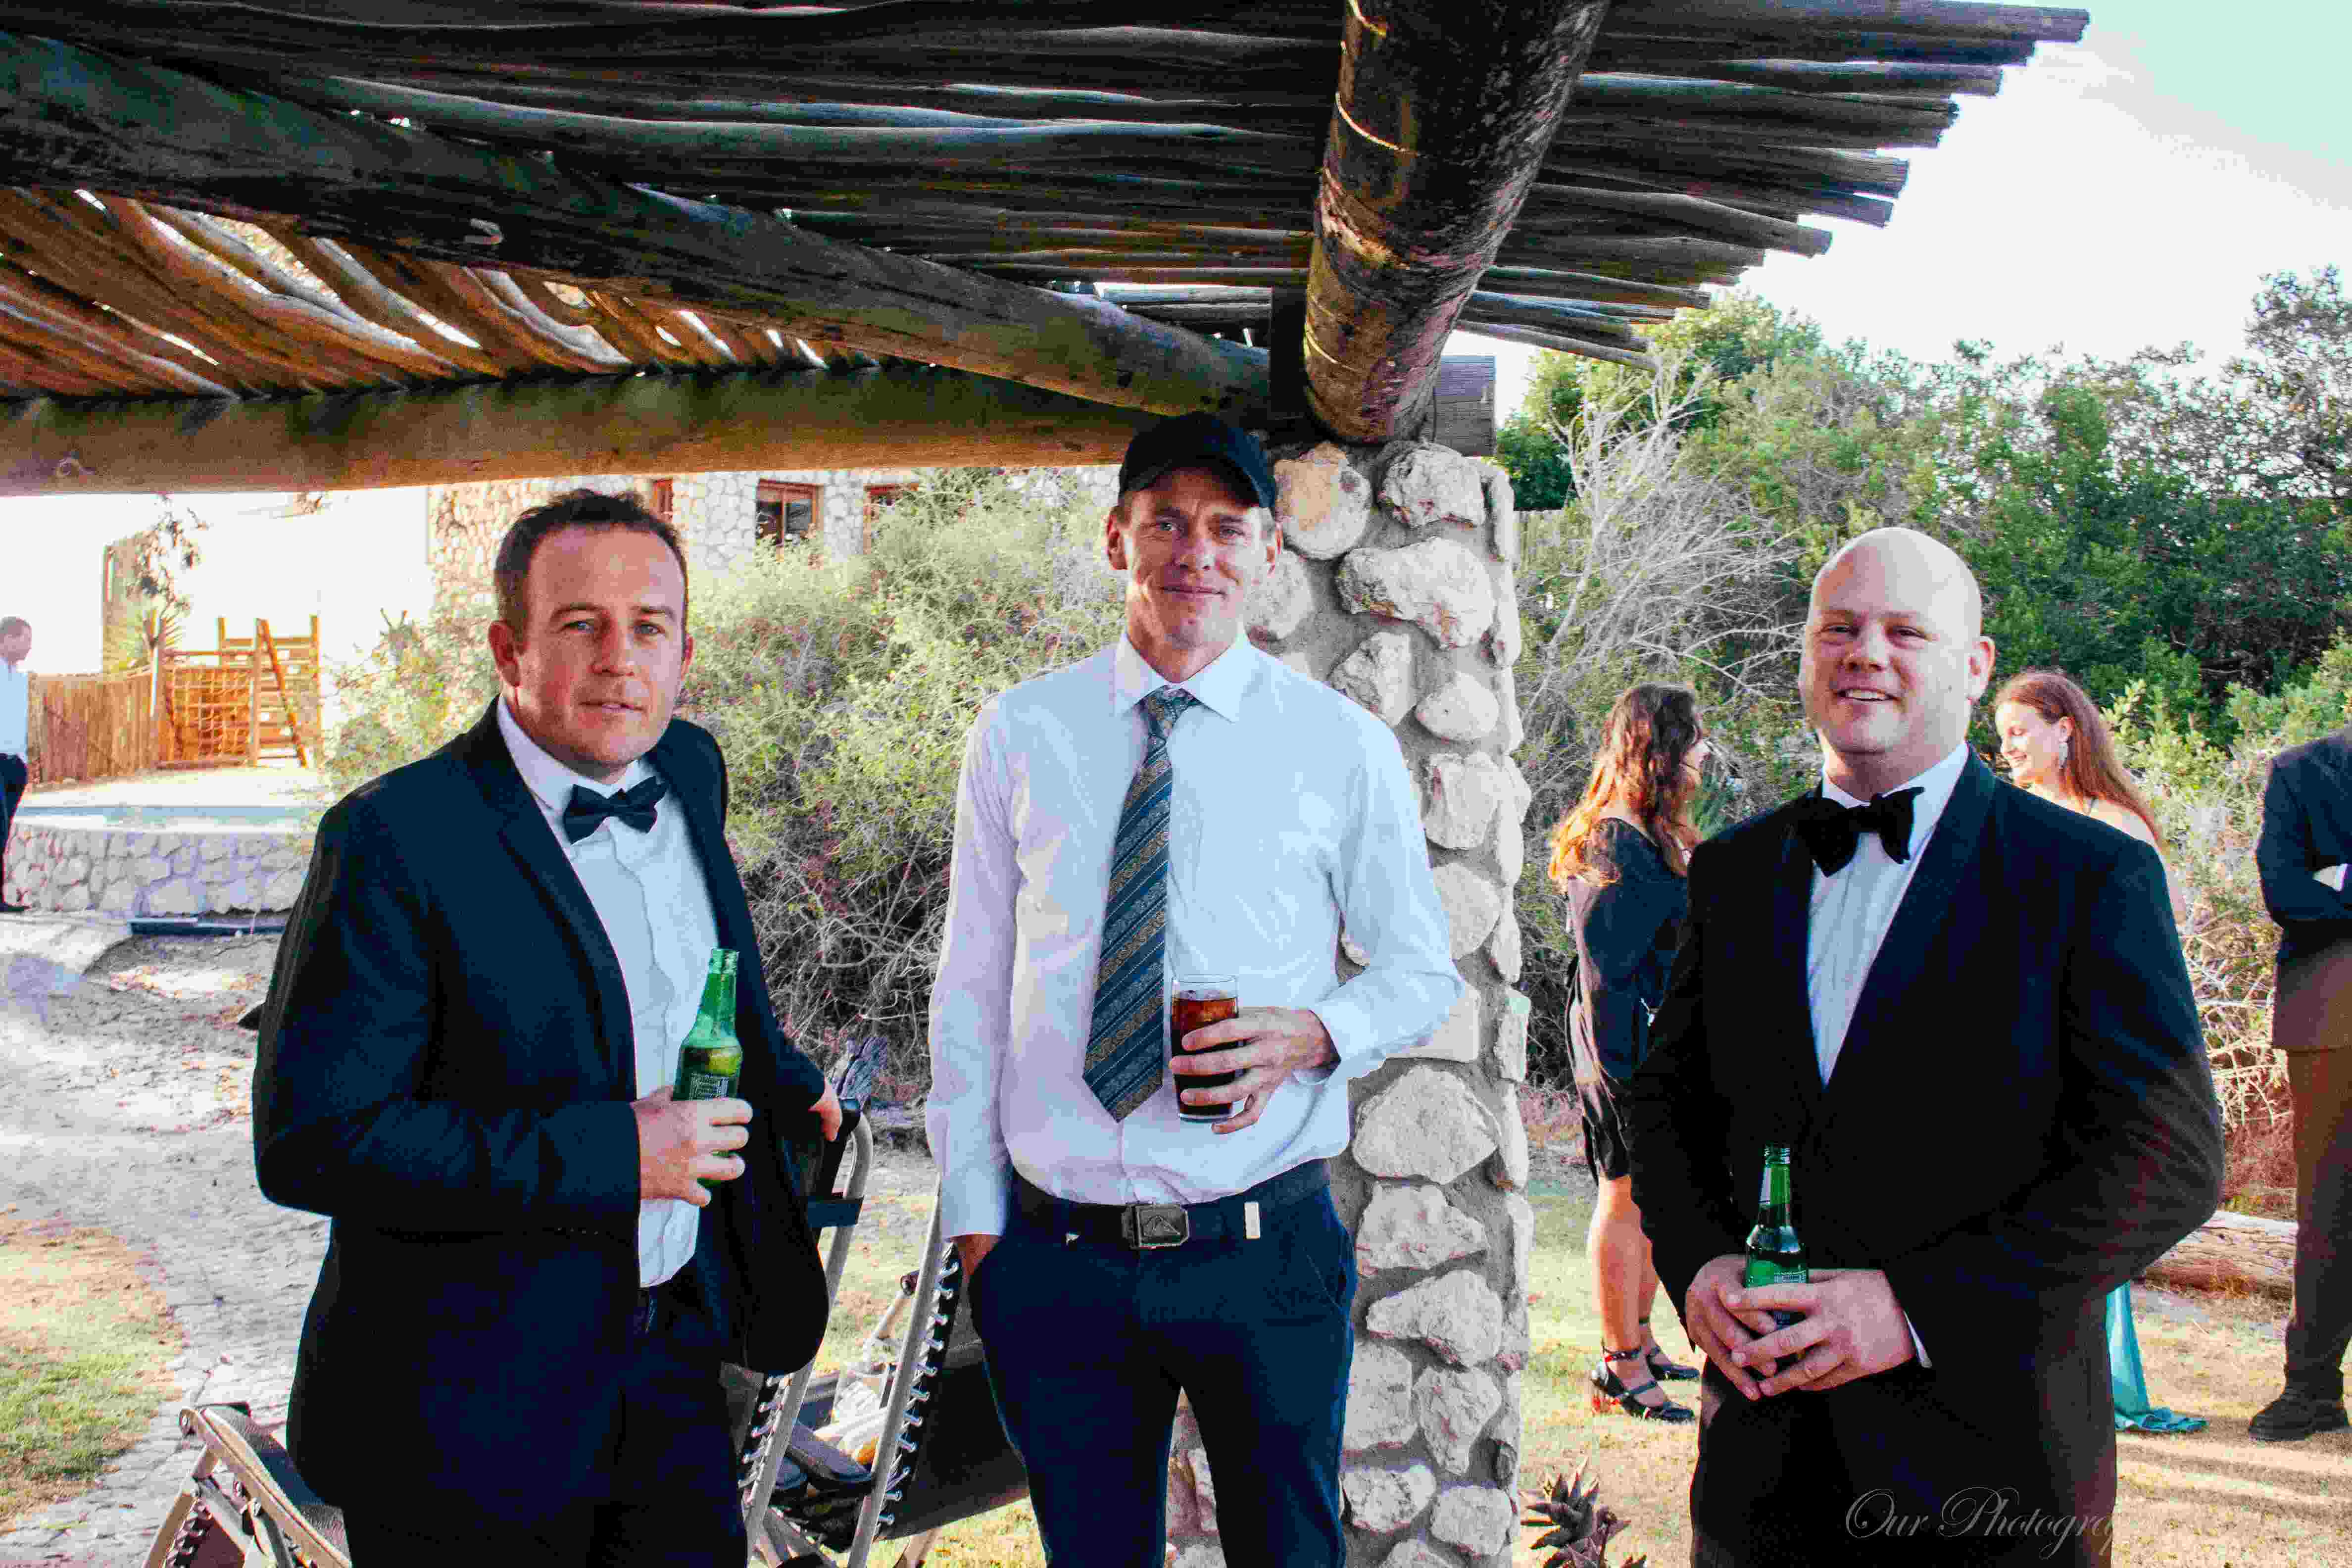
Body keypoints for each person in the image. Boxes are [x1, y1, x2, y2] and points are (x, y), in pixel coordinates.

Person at [253, 490, 842, 1566]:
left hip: (672, 1359)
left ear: (684, 651)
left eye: (649, 628)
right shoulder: (393, 838)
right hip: (463, 1410)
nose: (620, 660)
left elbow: (698, 972)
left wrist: (786, 1069)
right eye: (581, 625)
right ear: (507, 649)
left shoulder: (690, 768)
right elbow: (315, 1142)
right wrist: (618, 1152)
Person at [1627, 527, 2223, 1567]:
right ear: (1805, 654)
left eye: (1906, 631)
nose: (1867, 653)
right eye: (1839, 629)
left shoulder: (2086, 875)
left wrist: (1912, 1310)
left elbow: (2167, 1160)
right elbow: (1667, 1105)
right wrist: (1699, 1261)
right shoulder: (1733, 870)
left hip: (1991, 1473)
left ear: (1975, 665)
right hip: (1760, 1477)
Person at [928, 412, 1463, 1566]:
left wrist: (1314, 1033)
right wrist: (979, 1230)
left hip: (1263, 1248)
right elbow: (969, 985)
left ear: (1268, 550)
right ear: (1114, 537)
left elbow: (1420, 970)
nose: (1196, 552)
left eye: (1226, 527)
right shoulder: (1021, 732)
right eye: (1166, 522)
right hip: (1057, 1262)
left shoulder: (1339, 746)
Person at [1993, 668, 2205, 1436]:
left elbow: (2159, 940)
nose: (2008, 749)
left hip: (2091, 1042)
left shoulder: (2116, 824)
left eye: (2020, 732)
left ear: (2065, 730)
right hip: (2013, 1041)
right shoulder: (2009, 816)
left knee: (2084, 1204)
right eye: (2001, 736)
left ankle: (2098, 1382)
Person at [1550, 682, 1708, 1424]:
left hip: (1650, 1045)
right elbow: (1606, 972)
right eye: (1694, 739)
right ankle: (1619, 1366)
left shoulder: (1645, 832)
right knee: (1624, 1194)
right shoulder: (1613, 841)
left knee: (1650, 1197)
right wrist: (1626, 1078)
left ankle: (1642, 1339)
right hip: (1621, 1050)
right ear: (1662, 748)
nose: (1703, 753)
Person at [2250, 709, 2352, 1442]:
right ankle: (2311, 1390)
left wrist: (2339, 880)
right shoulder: (2301, 770)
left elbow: (2318, 894)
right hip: (2331, 1015)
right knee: (2330, 1209)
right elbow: (2286, 893)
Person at [0, 616, 29, 913]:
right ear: (7, 639)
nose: (29, 647)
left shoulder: (18, 678)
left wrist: (24, 762)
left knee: (3, 832)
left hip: (14, 765)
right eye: (25, 640)